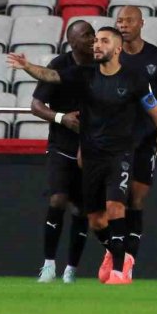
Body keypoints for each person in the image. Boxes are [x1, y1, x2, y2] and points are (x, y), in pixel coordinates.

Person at [8, 27, 157, 286]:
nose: (96, 45)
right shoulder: (85, 75)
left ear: (117, 49)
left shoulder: (134, 79)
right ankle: (119, 254)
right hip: (91, 156)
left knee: (116, 207)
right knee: (96, 220)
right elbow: (51, 75)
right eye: (95, 41)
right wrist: (27, 66)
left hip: (120, 154)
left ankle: (119, 271)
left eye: (103, 41)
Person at [31, 20, 95, 284]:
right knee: (57, 200)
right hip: (61, 145)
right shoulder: (59, 66)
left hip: (91, 147)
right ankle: (48, 265)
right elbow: (36, 105)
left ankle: (71, 268)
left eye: (93, 33)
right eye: (86, 35)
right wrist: (61, 118)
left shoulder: (102, 65)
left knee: (82, 210)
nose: (92, 39)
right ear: (72, 41)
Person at [115, 6, 157, 269]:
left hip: (146, 139)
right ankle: (114, 254)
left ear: (141, 23)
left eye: (129, 21)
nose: (123, 25)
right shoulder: (112, 56)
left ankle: (127, 261)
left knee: (136, 200)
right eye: (119, 21)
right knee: (116, 200)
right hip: (116, 141)